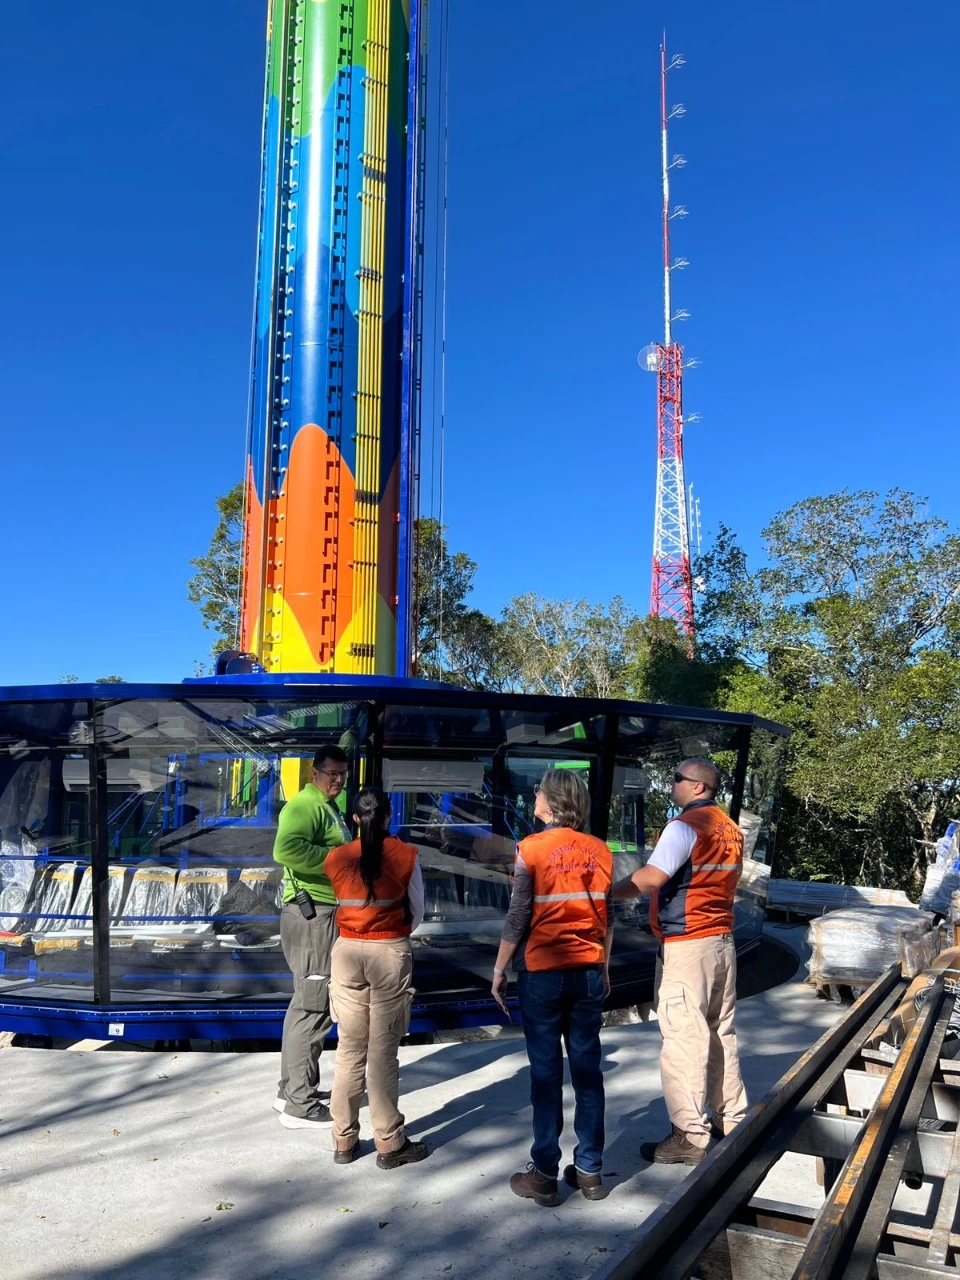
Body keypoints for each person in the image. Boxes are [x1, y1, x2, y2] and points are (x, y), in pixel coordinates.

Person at [613, 757, 747, 1165]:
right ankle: (732, 1121)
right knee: (720, 1033)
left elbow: (652, 877)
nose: (672, 784)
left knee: (684, 1041)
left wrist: (603, 893)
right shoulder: (730, 828)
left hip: (689, 946)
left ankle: (690, 1135)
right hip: (722, 942)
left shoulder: (685, 826)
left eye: (677, 778)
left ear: (698, 787)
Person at [492, 769, 613, 1207]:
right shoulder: (601, 850)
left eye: (538, 791)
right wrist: (604, 967)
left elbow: (518, 916)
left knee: (545, 1074)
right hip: (587, 970)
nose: (534, 797)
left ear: (553, 800)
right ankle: (590, 1171)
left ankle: (544, 1173)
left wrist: (500, 968)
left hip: (543, 971)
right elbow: (608, 916)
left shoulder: (531, 849)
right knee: (587, 1072)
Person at [325, 787, 428, 1168]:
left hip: (347, 953)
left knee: (349, 1049)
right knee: (383, 1052)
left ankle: (343, 1140)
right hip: (389, 953)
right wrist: (396, 933)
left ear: (354, 819)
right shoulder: (405, 855)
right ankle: (389, 1143)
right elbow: (417, 910)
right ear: (388, 816)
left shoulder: (336, 858)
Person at [272, 745, 352, 1129]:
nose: (338, 780)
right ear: (314, 773)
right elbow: (285, 849)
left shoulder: (326, 806)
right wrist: (340, 859)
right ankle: (300, 1106)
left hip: (317, 914)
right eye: (331, 773)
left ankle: (291, 1089)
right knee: (314, 1006)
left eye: (342, 774)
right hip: (313, 915)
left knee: (304, 1004)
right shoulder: (305, 805)